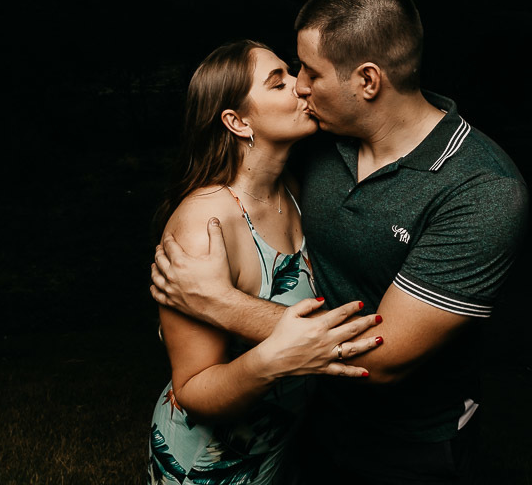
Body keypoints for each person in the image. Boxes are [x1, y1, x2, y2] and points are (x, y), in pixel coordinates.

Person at [151, 0, 528, 484]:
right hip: (308, 421)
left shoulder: (482, 190)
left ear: (368, 81)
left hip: (410, 441)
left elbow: (387, 356)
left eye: (310, 72)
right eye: (287, 74)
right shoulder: (321, 144)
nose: (301, 87)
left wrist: (219, 303)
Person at [147, 39, 383, 485]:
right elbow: (193, 391)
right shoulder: (206, 222)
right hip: (207, 466)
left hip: (279, 450)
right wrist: (274, 360)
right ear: (237, 122)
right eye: (279, 83)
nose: (302, 86)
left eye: (292, 73)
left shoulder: (294, 189)